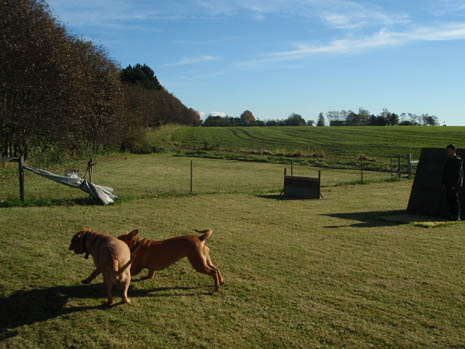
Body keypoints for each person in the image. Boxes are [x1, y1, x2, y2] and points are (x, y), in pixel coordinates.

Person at [442, 144, 463, 221]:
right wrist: (444, 182)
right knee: (449, 199)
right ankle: (451, 215)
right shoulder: (448, 159)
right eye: (447, 150)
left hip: (454, 184)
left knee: (455, 200)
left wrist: (455, 185)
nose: (448, 152)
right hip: (448, 183)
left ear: (454, 150)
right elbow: (445, 172)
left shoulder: (458, 160)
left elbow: (458, 174)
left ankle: (457, 216)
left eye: (449, 150)